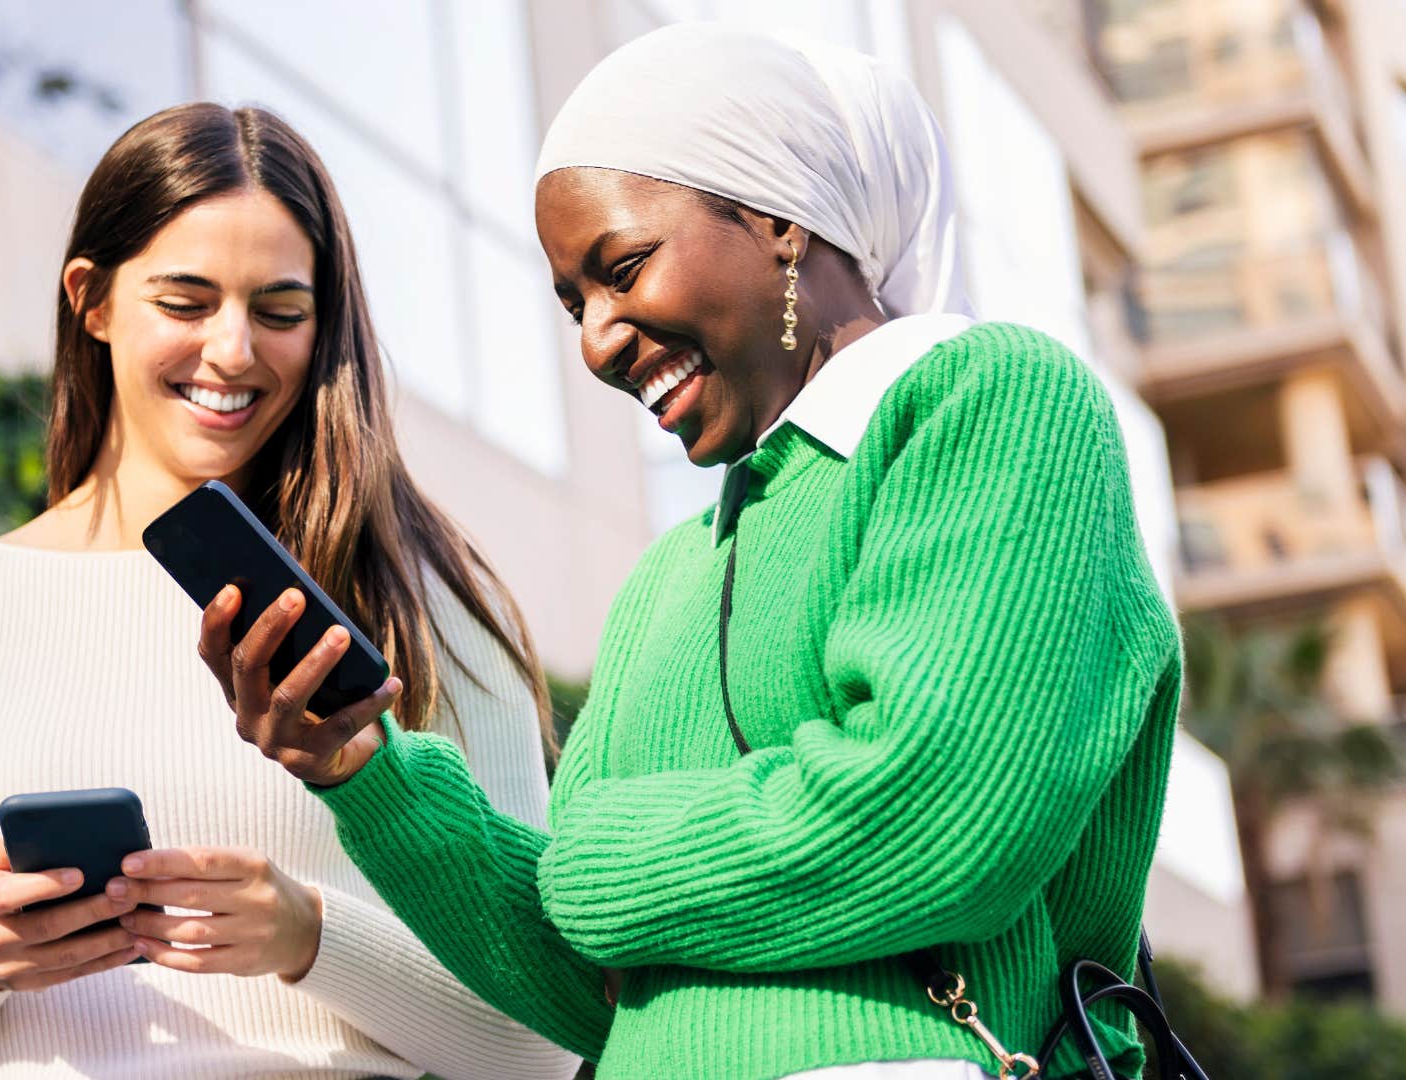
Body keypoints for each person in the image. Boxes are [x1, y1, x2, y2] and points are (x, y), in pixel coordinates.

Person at [201, 25, 1181, 1080]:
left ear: (774, 216)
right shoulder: (666, 580)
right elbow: (590, 987)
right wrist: (365, 773)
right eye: (576, 304)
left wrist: (588, 863)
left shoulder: (993, 400)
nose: (597, 339)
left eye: (621, 269)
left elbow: (933, 820)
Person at [0, 102, 577, 1080]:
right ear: (93, 298)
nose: (236, 352)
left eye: (281, 311)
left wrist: (307, 938)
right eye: (187, 302)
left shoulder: (428, 606)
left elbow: (538, 1047)